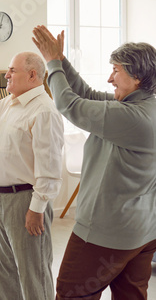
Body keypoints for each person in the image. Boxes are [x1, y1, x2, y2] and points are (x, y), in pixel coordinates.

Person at [33, 25, 156, 299]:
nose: (110, 78)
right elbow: (86, 95)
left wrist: (51, 63)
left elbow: (69, 105)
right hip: (142, 232)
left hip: (105, 233)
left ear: (136, 76)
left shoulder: (131, 117)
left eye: (116, 70)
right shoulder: (144, 106)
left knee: (71, 294)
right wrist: (62, 61)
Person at [0, 52, 64, 300]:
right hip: (1, 199)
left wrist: (37, 209)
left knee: (33, 274)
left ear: (32, 75)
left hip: (25, 201)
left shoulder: (44, 111)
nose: (6, 75)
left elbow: (50, 169)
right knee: (6, 272)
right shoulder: (9, 103)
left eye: (12, 71)